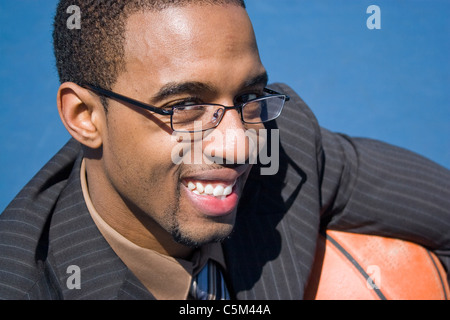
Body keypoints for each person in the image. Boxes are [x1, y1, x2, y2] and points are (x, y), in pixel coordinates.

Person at [0, 0, 449, 300]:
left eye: (247, 95)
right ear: (85, 116)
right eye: (186, 106)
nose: (238, 145)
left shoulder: (285, 144)